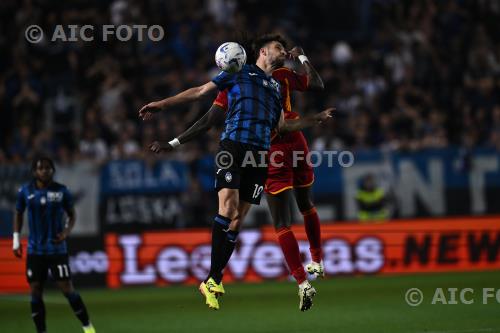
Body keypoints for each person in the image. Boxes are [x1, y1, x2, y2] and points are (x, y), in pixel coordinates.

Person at [139, 34, 332, 311]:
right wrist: (163, 105)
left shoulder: (276, 88)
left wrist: (314, 119)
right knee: (227, 207)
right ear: (263, 52)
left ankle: (213, 279)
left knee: (237, 221)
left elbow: (283, 127)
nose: (284, 51)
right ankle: (212, 277)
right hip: (233, 148)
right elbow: (200, 92)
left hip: (259, 156)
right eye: (278, 47)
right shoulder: (237, 72)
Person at [12, 156, 96, 333]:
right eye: (41, 168)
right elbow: (19, 213)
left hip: (56, 250)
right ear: (35, 171)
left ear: (53, 170)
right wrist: (16, 239)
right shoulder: (25, 191)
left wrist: (66, 232)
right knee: (35, 290)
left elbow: (72, 215)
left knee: (67, 289)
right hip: (35, 251)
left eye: (48, 168)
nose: (45, 171)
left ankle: (87, 326)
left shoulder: (62, 191)